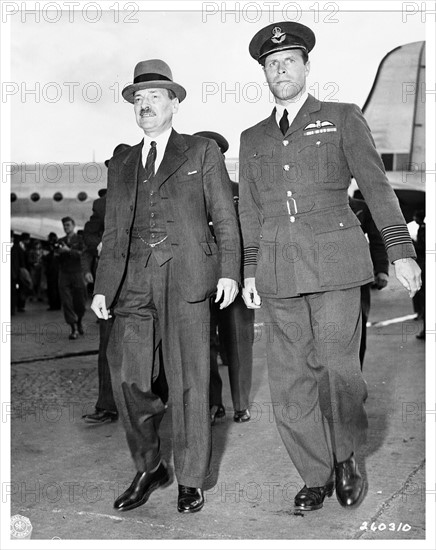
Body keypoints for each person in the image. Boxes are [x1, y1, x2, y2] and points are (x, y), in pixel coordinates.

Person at [238, 22, 421, 513]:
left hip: (336, 261)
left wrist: (401, 250)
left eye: (289, 61)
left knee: (340, 369)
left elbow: (375, 186)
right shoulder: (251, 137)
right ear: (264, 73)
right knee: (289, 377)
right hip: (277, 268)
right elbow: (249, 209)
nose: (281, 69)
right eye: (272, 64)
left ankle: (346, 458)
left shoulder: (341, 117)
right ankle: (314, 474)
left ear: (306, 66)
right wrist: (250, 269)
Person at [91, 59, 240, 514]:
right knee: (129, 381)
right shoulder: (121, 162)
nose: (146, 105)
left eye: (156, 96)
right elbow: (114, 231)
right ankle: (151, 465)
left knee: (191, 381)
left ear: (174, 103)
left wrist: (230, 271)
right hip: (133, 281)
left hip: (187, 278)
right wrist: (102, 288)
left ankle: (190, 478)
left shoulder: (199, 152)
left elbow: (225, 217)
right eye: (139, 98)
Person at [194, 131, 255, 424]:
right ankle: (213, 403)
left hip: (236, 278)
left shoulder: (239, 191)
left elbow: (251, 237)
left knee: (238, 343)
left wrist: (250, 277)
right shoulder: (184, 195)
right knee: (202, 345)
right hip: (199, 281)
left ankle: (241, 404)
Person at [349, 197, 389, 367]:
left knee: (358, 328)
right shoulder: (316, 202)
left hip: (359, 279)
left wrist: (381, 270)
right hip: (321, 278)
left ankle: (355, 379)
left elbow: (377, 240)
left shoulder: (362, 208)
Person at [57, 217, 86, 340]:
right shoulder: (60, 240)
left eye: (68, 225)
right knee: (67, 302)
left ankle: (79, 321)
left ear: (74, 226)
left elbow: (83, 255)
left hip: (77, 273)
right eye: (64, 225)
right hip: (64, 274)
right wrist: (58, 252)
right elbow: (57, 258)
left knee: (80, 302)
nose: (66, 227)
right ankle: (73, 328)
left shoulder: (80, 240)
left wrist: (69, 250)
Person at [43, 232, 61, 311]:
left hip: (51, 270)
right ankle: (57, 304)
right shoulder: (58, 246)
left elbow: (45, 257)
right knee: (57, 287)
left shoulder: (48, 247)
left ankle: (53, 304)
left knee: (51, 288)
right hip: (57, 270)